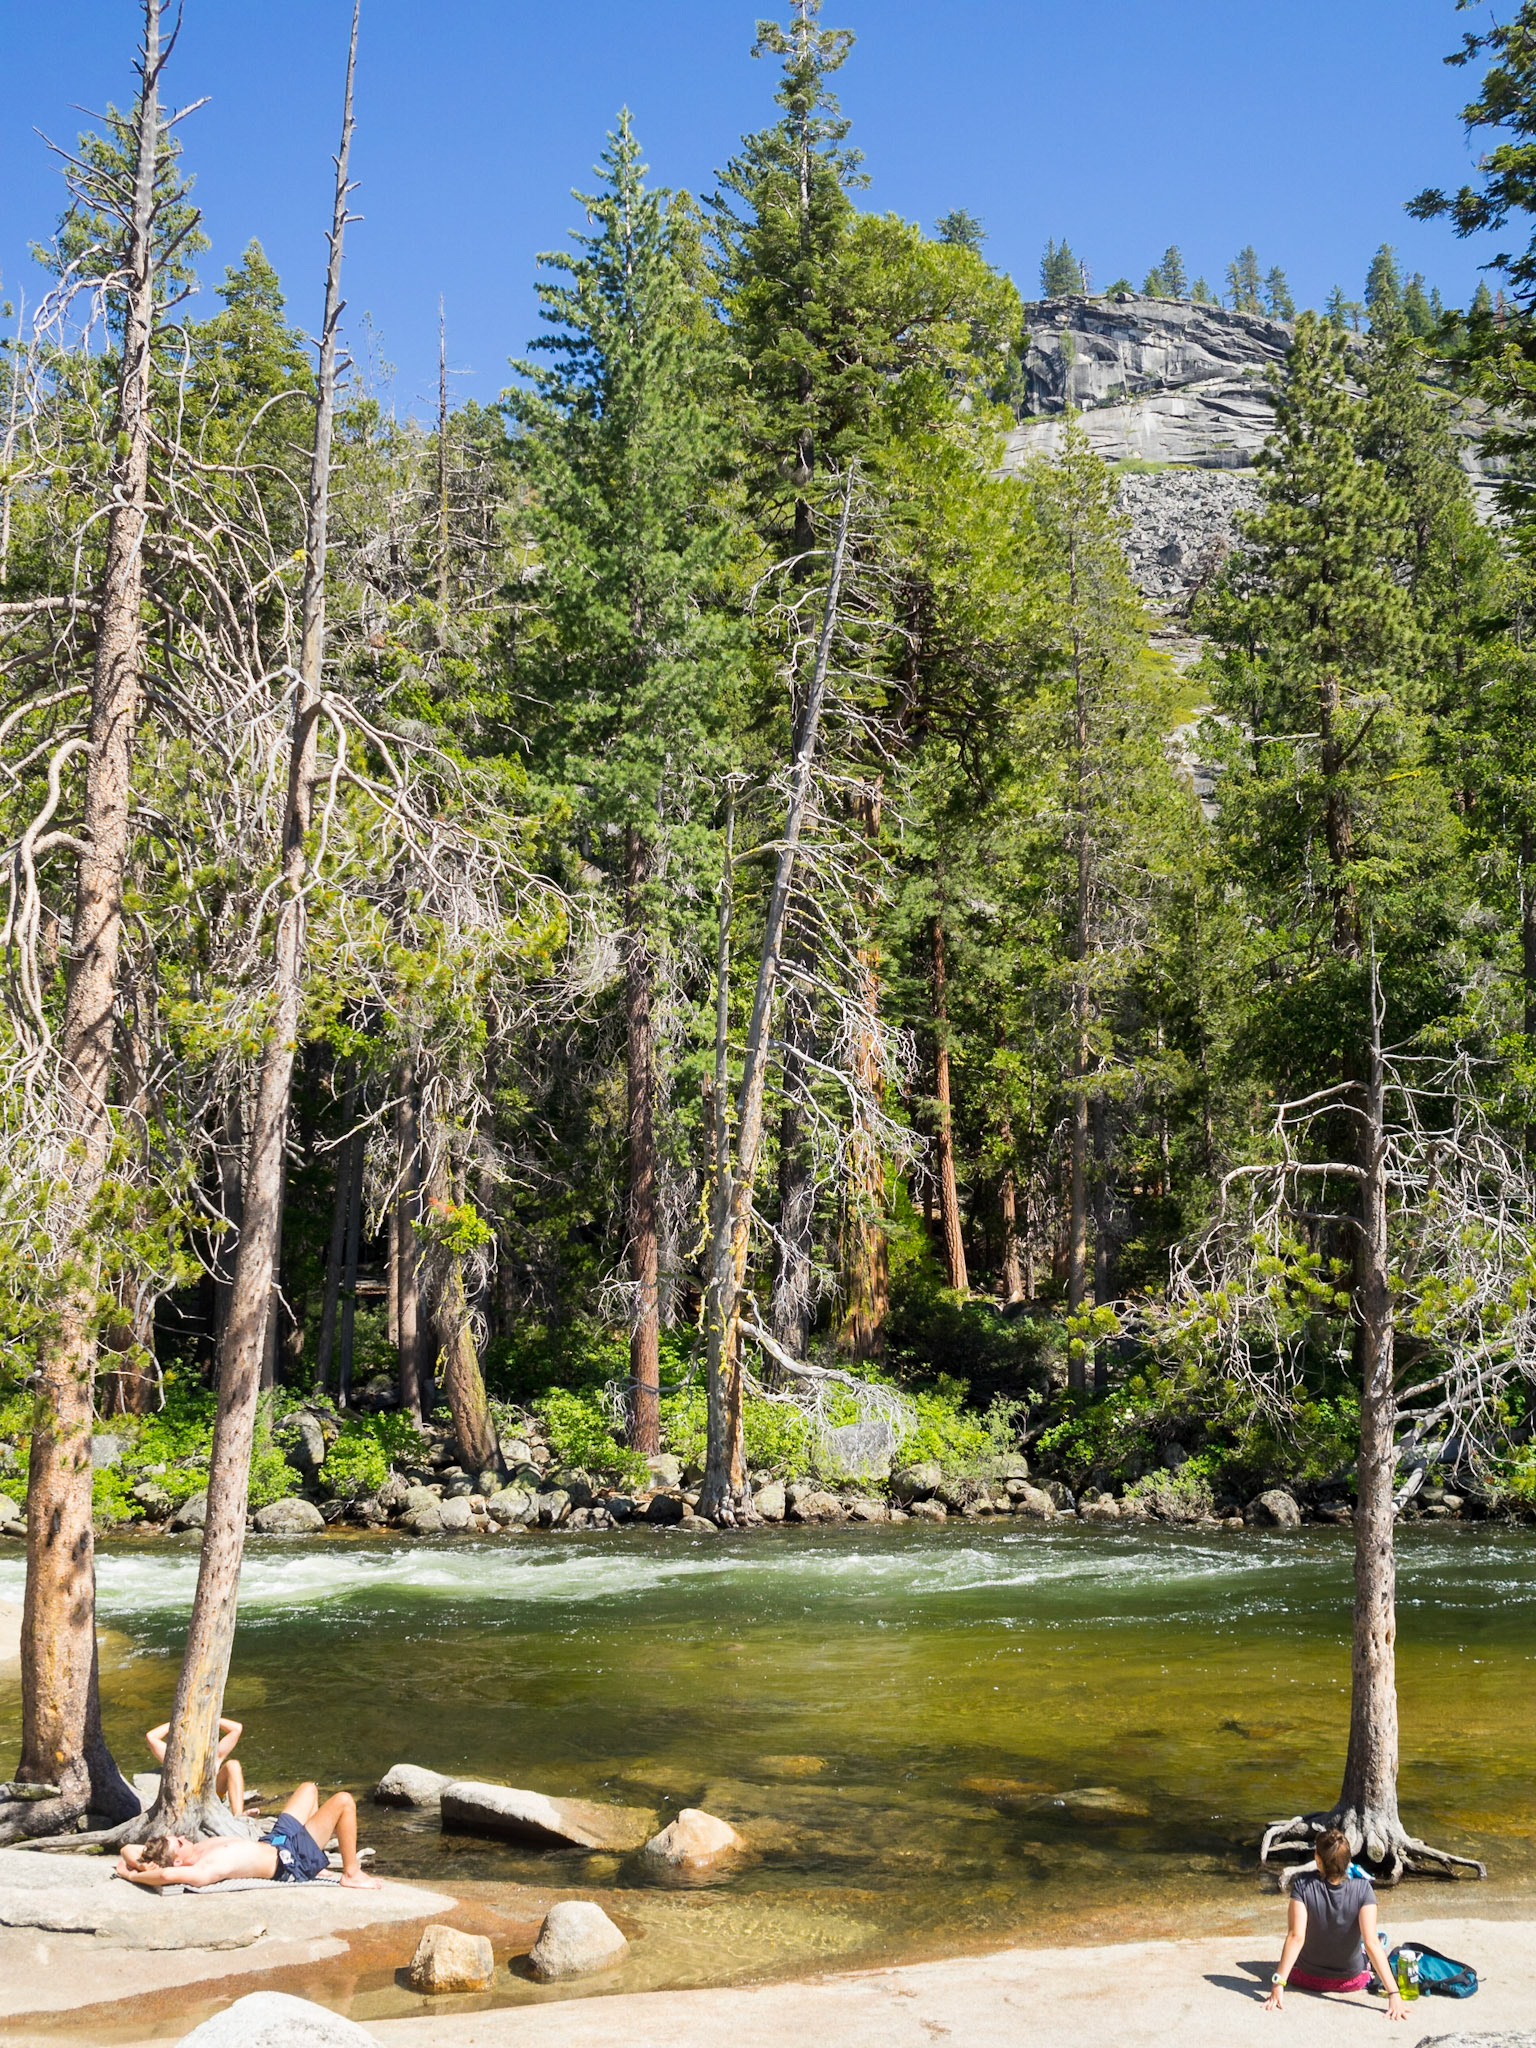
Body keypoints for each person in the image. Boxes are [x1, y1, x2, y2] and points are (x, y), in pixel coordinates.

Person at [115, 1782, 383, 1891]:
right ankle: (351, 1873)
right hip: (291, 1861)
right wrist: (132, 1876)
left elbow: (128, 1847)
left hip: (276, 1841)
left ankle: (319, 1862)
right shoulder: (204, 1868)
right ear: (177, 1862)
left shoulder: (195, 1852)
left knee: (309, 1789)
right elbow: (164, 1876)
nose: (184, 1838)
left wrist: (140, 1862)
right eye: (180, 1843)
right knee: (344, 1801)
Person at [1262, 1826, 1406, 2018]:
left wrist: (1277, 1984)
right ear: (1348, 1861)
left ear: (1317, 1860)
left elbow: (1296, 1937)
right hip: (1352, 1981)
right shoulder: (1364, 1889)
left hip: (1306, 1978)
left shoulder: (1302, 1886)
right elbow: (1371, 1943)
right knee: (1378, 1939)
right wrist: (1394, 1993)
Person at [145, 1716, 249, 1816]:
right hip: (188, 1801)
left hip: (212, 1795)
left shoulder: (214, 1755)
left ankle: (239, 1815)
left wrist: (207, 1717)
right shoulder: (176, 1758)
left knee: (233, 1765)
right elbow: (151, 1736)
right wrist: (180, 1721)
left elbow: (237, 1728)